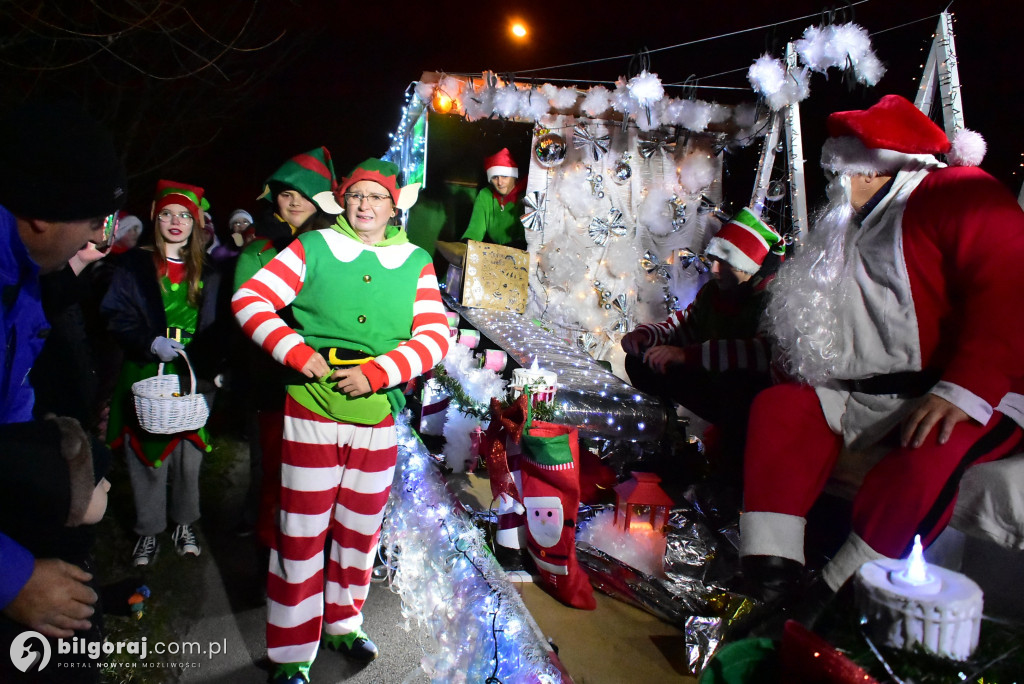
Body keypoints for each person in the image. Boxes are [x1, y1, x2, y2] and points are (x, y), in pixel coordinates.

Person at [738, 94, 1024, 610]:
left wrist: (965, 389)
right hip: (866, 391)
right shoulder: (851, 223)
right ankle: (769, 578)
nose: (834, 184)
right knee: (779, 411)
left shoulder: (956, 192)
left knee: (927, 453)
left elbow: (1009, 285)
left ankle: (834, 599)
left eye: (839, 171)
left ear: (871, 169)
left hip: (965, 391)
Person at [233, 158, 450, 684]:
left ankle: (343, 625)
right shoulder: (314, 247)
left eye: (377, 197)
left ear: (394, 205)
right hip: (311, 406)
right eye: (357, 196)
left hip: (375, 413)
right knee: (302, 530)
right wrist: (293, 349)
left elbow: (434, 338)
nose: (366, 205)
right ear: (342, 201)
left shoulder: (416, 259)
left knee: (358, 532)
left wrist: (379, 373)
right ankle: (289, 653)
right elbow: (250, 298)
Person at [0, 100, 125, 643]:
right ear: (42, 216)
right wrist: (13, 579)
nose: (97, 237)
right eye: (94, 220)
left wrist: (60, 471)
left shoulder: (22, 278)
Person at [101, 180, 223, 567]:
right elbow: (114, 314)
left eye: (185, 215)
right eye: (168, 213)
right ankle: (148, 532)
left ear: (196, 222)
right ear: (156, 216)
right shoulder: (134, 264)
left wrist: (217, 368)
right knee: (147, 454)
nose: (176, 222)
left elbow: (221, 325)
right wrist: (148, 342)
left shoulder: (211, 270)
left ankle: (185, 524)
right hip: (145, 369)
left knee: (190, 455)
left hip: (192, 374)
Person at [621, 208, 782, 480]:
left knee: (740, 392)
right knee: (640, 360)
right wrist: (645, 335)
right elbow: (682, 326)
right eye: (714, 260)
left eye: (724, 262)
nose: (714, 269)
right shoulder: (715, 292)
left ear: (748, 265)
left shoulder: (772, 300)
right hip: (714, 383)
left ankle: (727, 480)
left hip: (750, 402)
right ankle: (666, 440)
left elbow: (761, 353)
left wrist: (688, 356)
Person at [231, 147, 340, 544]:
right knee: (275, 475)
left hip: (328, 387)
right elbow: (250, 315)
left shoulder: (338, 252)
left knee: (320, 480)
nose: (293, 201)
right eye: (284, 192)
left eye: (303, 193)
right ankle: (269, 560)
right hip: (275, 383)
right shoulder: (259, 252)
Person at [0, 418, 112, 682]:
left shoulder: (65, 554)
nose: (107, 486)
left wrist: (113, 598)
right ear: (67, 504)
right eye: (97, 481)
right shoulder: (33, 600)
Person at [460, 147, 528, 249]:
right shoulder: (485, 195)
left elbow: (525, 239)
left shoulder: (526, 197)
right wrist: (464, 247)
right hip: (495, 253)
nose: (500, 183)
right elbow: (474, 231)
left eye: (504, 176)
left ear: (514, 177)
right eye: (495, 177)